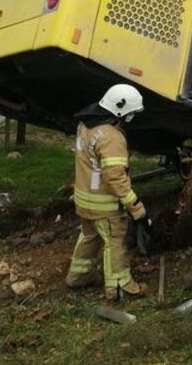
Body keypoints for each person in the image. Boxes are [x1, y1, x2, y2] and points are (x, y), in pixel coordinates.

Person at [65, 84, 149, 300]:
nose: (130, 118)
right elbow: (115, 177)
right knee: (115, 241)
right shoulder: (111, 136)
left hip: (83, 201)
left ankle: (78, 276)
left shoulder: (85, 125)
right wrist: (135, 206)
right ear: (121, 111)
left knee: (89, 236)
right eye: (130, 114)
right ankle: (120, 287)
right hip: (104, 205)